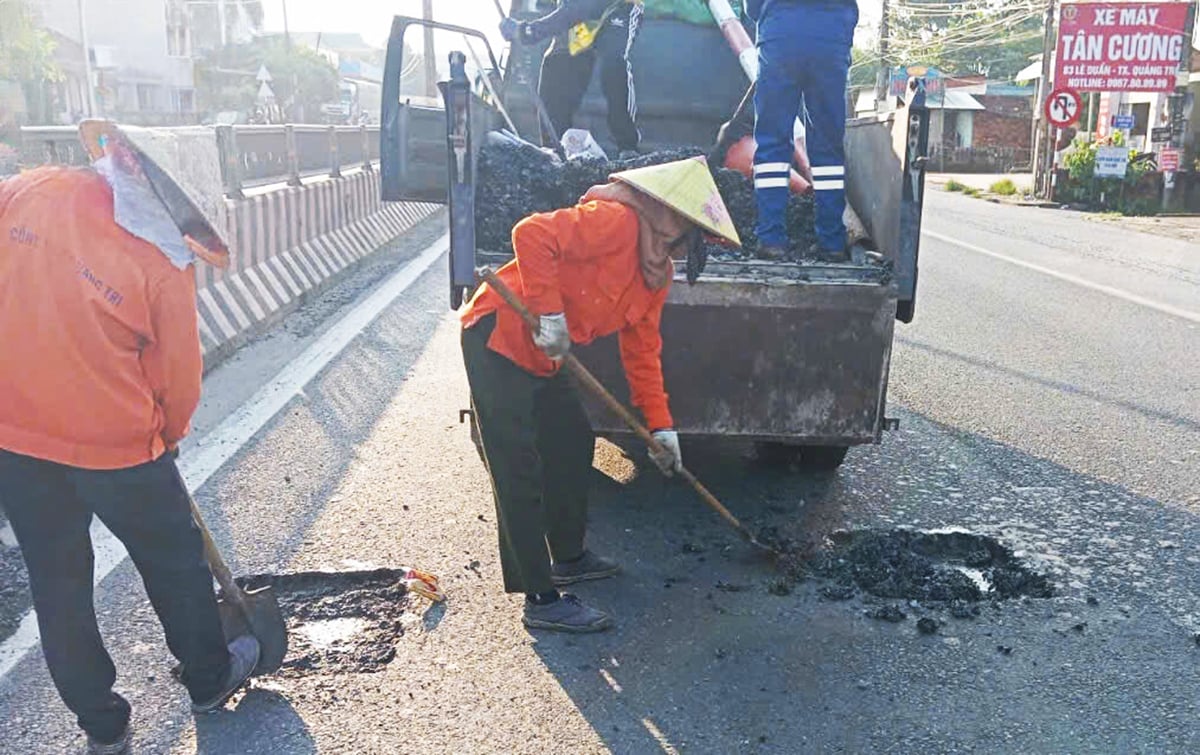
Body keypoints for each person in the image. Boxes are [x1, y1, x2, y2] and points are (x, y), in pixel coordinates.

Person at [0, 121, 259, 754]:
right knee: (174, 563)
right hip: (119, 447)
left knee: (57, 583)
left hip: (17, 438)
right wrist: (163, 439)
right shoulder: (163, 259)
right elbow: (178, 383)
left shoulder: (29, 191)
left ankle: (102, 724)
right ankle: (208, 676)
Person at [460, 157, 739, 633]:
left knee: (572, 440)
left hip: (546, 354)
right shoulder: (617, 222)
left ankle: (568, 556)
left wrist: (661, 427)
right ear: (671, 220)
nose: (691, 248)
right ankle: (541, 598)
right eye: (691, 235)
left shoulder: (655, 273)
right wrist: (549, 314)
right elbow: (532, 233)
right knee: (517, 465)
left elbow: (643, 352)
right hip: (500, 335)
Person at [747, 0, 858, 262]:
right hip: (831, 34)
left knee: (773, 141)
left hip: (781, 33)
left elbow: (752, 7)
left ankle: (771, 239)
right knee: (828, 143)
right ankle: (831, 241)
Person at [501, 0, 645, 157]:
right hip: (580, 17)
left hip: (616, 7)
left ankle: (628, 146)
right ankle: (554, 147)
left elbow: (578, 9)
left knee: (613, 61)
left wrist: (527, 31)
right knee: (556, 62)